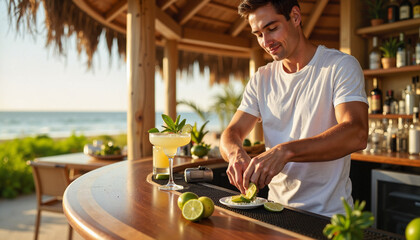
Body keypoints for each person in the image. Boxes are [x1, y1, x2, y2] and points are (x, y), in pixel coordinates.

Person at [220, 0, 368, 217]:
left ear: (296, 17)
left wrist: (285, 151)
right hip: (276, 212)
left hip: (330, 218)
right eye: (258, 34)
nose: (266, 41)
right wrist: (236, 155)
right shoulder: (262, 79)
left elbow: (357, 133)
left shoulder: (339, 66)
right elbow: (231, 132)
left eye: (272, 29)